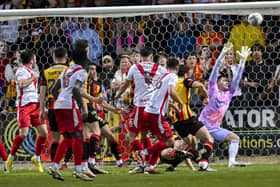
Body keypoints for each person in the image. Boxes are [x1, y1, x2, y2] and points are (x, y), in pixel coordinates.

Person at [48, 39, 102, 181]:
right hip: (70, 105)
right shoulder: (82, 71)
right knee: (78, 136)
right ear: (86, 52)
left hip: (58, 105)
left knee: (67, 137)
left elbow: (53, 89)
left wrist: (60, 100)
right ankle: (79, 169)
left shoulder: (67, 69)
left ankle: (54, 166)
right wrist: (83, 108)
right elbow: (77, 91)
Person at [199, 43, 251, 167]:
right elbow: (215, 69)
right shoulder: (213, 89)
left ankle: (231, 161)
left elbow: (237, 78)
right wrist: (222, 54)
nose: (227, 81)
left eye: (227, 80)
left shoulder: (229, 94)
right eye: (224, 80)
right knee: (187, 143)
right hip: (202, 125)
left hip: (215, 128)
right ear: (217, 83)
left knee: (235, 138)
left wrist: (243, 61)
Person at [115, 47, 166, 174]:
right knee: (148, 135)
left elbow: (126, 85)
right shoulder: (160, 69)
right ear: (151, 56)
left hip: (140, 106)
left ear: (140, 56)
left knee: (132, 135)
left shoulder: (134, 68)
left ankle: (142, 163)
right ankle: (150, 164)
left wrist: (117, 94)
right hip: (154, 107)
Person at [140, 58, 189, 174]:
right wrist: (181, 103)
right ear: (177, 68)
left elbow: (160, 95)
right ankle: (145, 152)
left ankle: (150, 167)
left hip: (148, 111)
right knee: (170, 142)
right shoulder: (173, 76)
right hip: (155, 114)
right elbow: (171, 92)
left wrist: (172, 106)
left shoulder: (163, 76)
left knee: (161, 141)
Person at [6, 49, 48, 173]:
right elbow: (22, 84)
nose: (36, 60)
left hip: (35, 104)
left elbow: (37, 91)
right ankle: (10, 158)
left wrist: (42, 106)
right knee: (23, 134)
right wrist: (33, 77)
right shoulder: (21, 71)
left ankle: (36, 157)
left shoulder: (32, 71)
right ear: (31, 60)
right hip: (24, 104)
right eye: (34, 58)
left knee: (44, 133)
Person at [39, 47, 68, 163]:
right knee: (71, 136)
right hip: (67, 106)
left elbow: (42, 92)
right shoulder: (69, 70)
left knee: (55, 138)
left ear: (53, 57)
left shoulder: (46, 72)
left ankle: (54, 164)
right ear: (66, 57)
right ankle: (78, 164)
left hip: (52, 106)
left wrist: (41, 109)